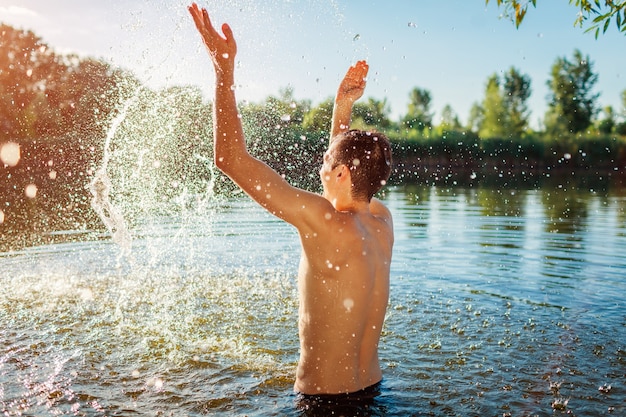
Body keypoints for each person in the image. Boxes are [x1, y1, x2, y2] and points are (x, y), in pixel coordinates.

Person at [188, 2, 394, 401]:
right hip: (375, 392)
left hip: (324, 404)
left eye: (324, 164)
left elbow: (229, 159)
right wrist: (342, 109)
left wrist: (222, 70)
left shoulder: (323, 221)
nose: (319, 170)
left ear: (340, 174)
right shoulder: (382, 222)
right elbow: (346, 181)